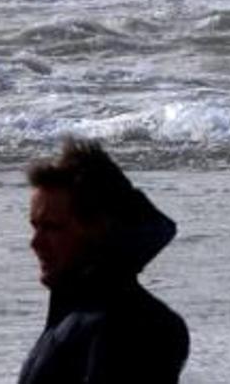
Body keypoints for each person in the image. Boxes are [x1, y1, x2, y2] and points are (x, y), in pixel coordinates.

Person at [18, 137, 189, 384]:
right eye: (35, 227)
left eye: (52, 228)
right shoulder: (76, 318)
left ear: (98, 228)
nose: (35, 243)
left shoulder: (131, 328)